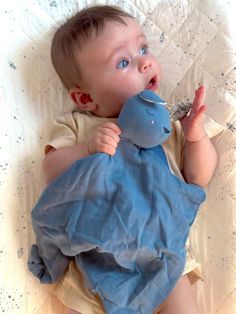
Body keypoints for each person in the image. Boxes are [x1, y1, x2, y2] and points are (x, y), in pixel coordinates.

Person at [42, 5, 218, 314]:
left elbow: (198, 177)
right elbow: (51, 170)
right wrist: (86, 150)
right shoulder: (79, 127)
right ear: (85, 98)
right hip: (94, 270)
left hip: (163, 261)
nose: (145, 61)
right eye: (124, 61)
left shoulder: (165, 123)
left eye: (143, 48)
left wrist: (194, 137)